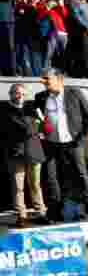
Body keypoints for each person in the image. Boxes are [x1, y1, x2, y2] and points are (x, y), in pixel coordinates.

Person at [34, 68, 88, 220]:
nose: (44, 82)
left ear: (59, 79)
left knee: (80, 174)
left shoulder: (74, 93)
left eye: (47, 79)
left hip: (73, 142)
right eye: (43, 79)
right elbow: (36, 117)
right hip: (51, 143)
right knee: (50, 176)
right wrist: (39, 126)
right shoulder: (41, 97)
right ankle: (55, 208)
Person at [1, 83, 47, 226]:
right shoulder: (3, 110)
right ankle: (22, 216)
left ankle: (41, 213)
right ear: (11, 94)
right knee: (18, 187)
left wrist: (43, 124)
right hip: (15, 153)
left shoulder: (32, 108)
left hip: (34, 152)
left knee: (35, 185)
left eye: (23, 93)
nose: (20, 96)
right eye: (17, 93)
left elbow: (45, 127)